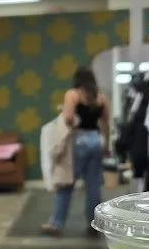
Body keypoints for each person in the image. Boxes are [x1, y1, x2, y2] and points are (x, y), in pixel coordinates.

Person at [42, 66, 109, 236]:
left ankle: (56, 223)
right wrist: (106, 146)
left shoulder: (73, 94)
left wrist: (68, 120)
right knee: (93, 186)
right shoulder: (101, 96)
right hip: (95, 139)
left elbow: (68, 117)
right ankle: (94, 224)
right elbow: (105, 124)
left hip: (78, 140)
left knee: (66, 183)